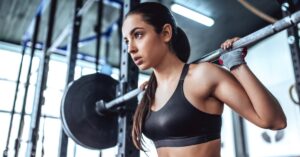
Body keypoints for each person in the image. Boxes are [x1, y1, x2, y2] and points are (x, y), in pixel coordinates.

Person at [122, 2, 287, 157]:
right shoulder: (150, 90)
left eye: (138, 35)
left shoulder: (202, 76)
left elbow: (275, 121)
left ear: (166, 33)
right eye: (127, 41)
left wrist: (236, 64)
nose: (130, 48)